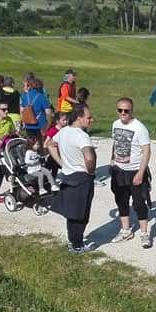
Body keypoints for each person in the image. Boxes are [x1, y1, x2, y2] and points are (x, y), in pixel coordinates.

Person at [49, 106, 97, 253]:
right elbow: (89, 157)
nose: (91, 120)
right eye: (88, 118)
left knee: (71, 213)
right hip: (82, 178)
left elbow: (50, 144)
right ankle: (78, 245)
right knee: (82, 213)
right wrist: (90, 171)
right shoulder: (82, 136)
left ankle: (72, 242)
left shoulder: (63, 131)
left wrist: (62, 163)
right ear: (79, 118)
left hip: (68, 176)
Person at [109, 97, 153, 249]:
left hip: (134, 170)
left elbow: (146, 151)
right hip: (119, 170)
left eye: (126, 111)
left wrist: (140, 173)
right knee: (121, 200)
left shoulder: (139, 128)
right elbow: (115, 143)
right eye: (120, 110)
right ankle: (126, 230)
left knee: (139, 203)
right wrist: (112, 160)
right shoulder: (115, 124)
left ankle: (144, 233)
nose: (123, 113)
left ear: (131, 111)